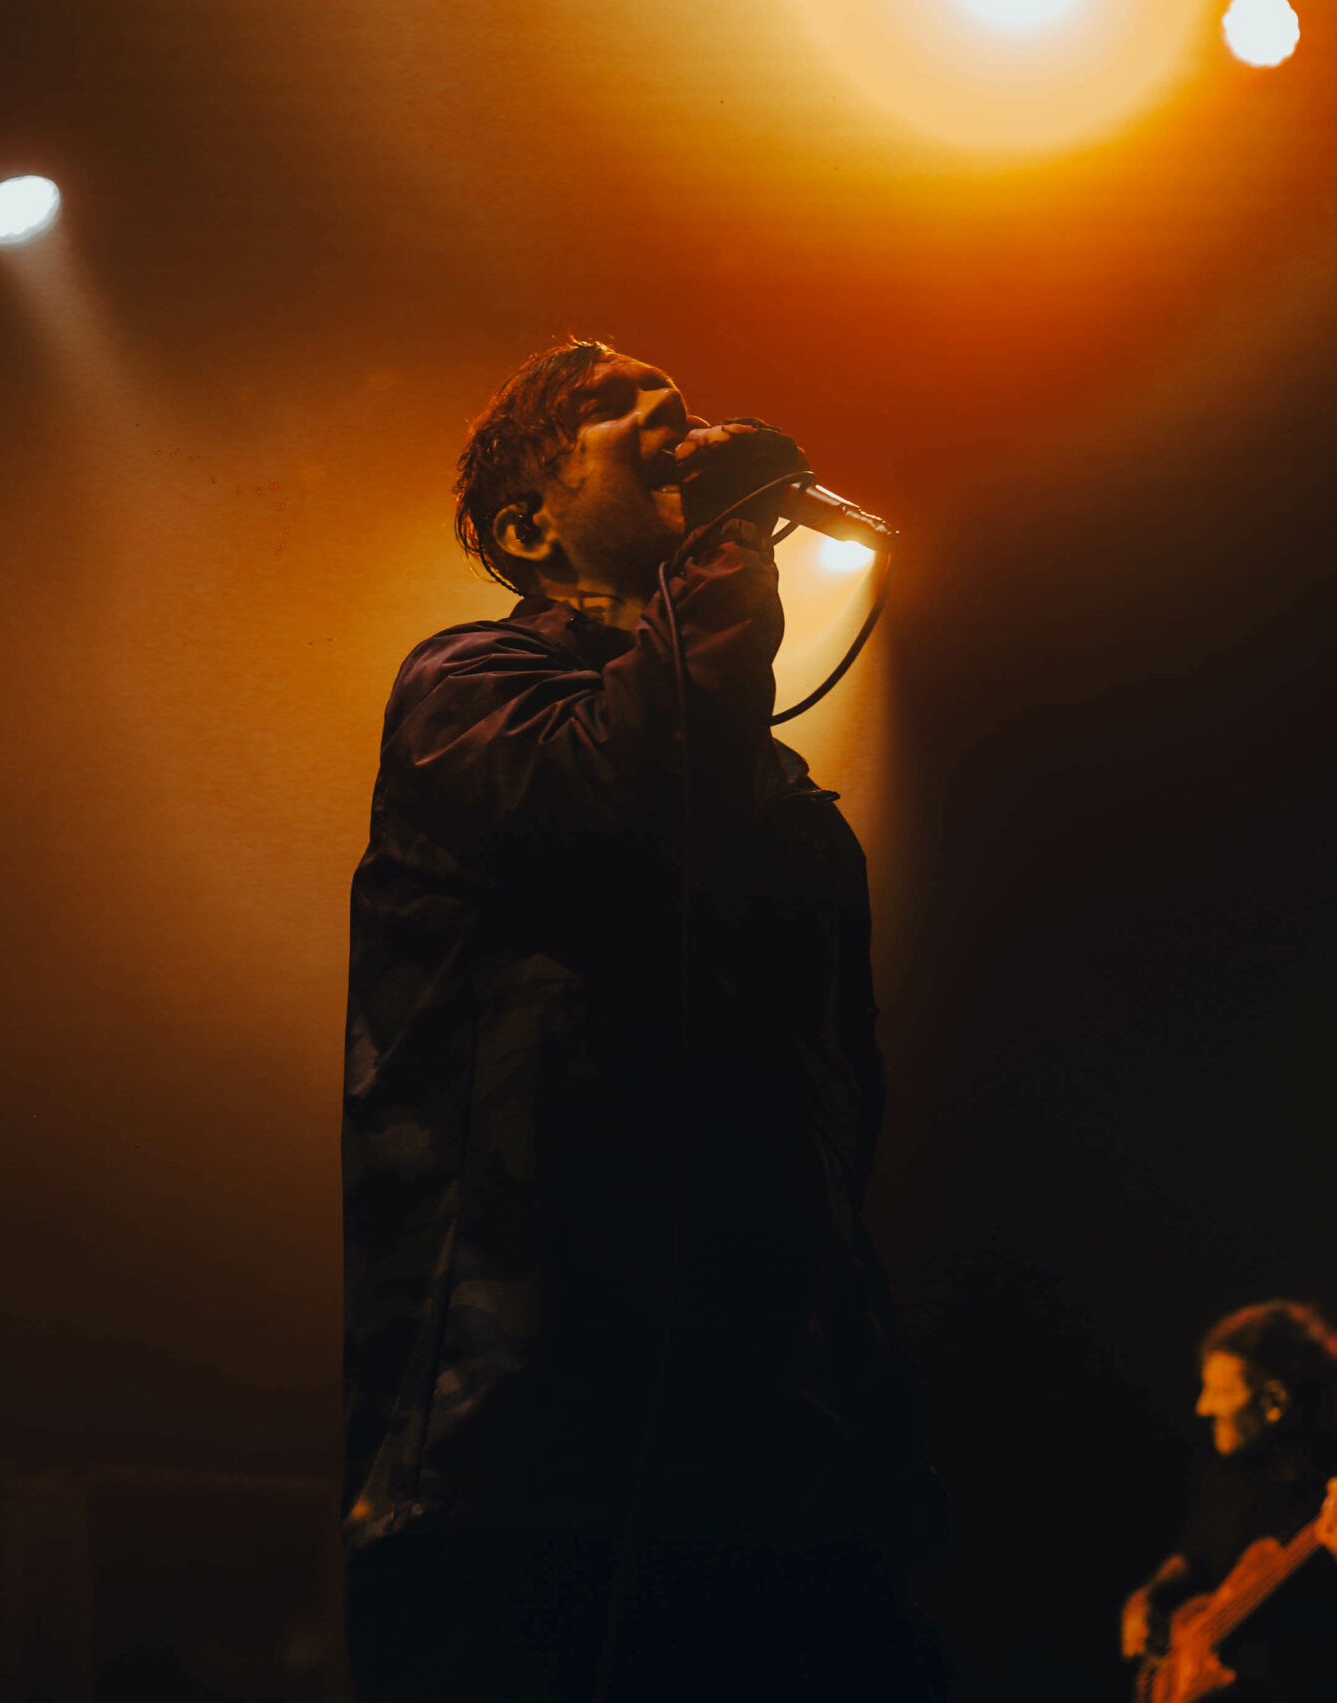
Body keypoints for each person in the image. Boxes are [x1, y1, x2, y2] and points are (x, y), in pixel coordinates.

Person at [339, 339, 941, 1701]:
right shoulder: (468, 690)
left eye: (668, 391)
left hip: (786, 1464)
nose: (670, 403)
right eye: (613, 405)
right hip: (524, 1455)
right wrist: (726, 540)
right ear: (527, 528)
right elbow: (626, 787)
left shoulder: (784, 801)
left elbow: (841, 1107)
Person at [1121, 1301, 1337, 1702]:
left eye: (1220, 1391)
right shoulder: (1230, 1478)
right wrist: (1150, 1596)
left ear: (1274, 1402)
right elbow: (1193, 1556)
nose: (1203, 1406)